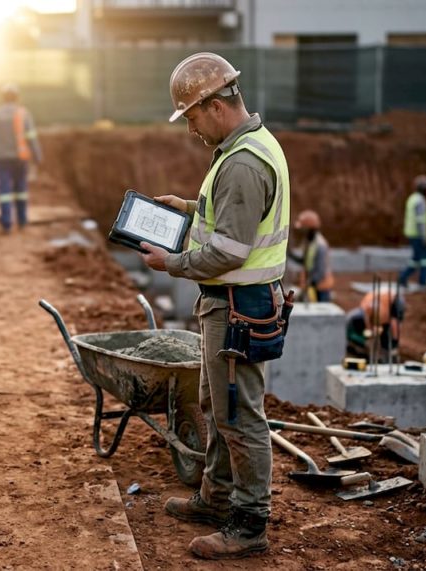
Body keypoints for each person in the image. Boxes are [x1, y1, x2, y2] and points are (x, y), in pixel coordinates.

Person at [138, 52, 289, 560]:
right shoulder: (243, 148)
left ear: (214, 105)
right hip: (228, 304)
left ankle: (248, 524)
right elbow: (228, 223)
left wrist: (172, 263)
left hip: (238, 306)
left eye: (193, 117)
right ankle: (216, 496)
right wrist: (186, 208)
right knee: (217, 406)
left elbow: (229, 250)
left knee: (240, 417)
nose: (192, 129)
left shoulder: (243, 163)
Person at [0, 83, 43, 233]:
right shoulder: (23, 114)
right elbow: (31, 137)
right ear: (17, 97)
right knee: (21, 189)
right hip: (20, 158)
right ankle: (22, 221)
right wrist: (37, 156)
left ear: (3, 97)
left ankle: (6, 224)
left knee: (4, 192)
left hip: (1, 159)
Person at [288, 209, 334, 302]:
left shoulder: (320, 245)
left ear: (310, 229)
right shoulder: (309, 242)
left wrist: (307, 284)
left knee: (321, 311)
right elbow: (305, 261)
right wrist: (290, 255)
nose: (302, 232)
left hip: (321, 287)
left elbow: (320, 270)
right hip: (313, 284)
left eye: (304, 229)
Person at [346, 289, 404, 361]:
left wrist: (395, 341)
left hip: (393, 301)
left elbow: (394, 323)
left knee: (391, 328)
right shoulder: (365, 308)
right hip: (385, 303)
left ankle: (391, 351)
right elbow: (368, 320)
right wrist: (370, 330)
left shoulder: (383, 310)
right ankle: (386, 352)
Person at [398, 175, 426, 288]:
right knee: (425, 259)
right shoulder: (420, 201)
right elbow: (420, 220)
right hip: (418, 234)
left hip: (411, 233)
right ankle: (422, 282)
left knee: (416, 258)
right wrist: (424, 236)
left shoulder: (412, 198)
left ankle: (403, 277)